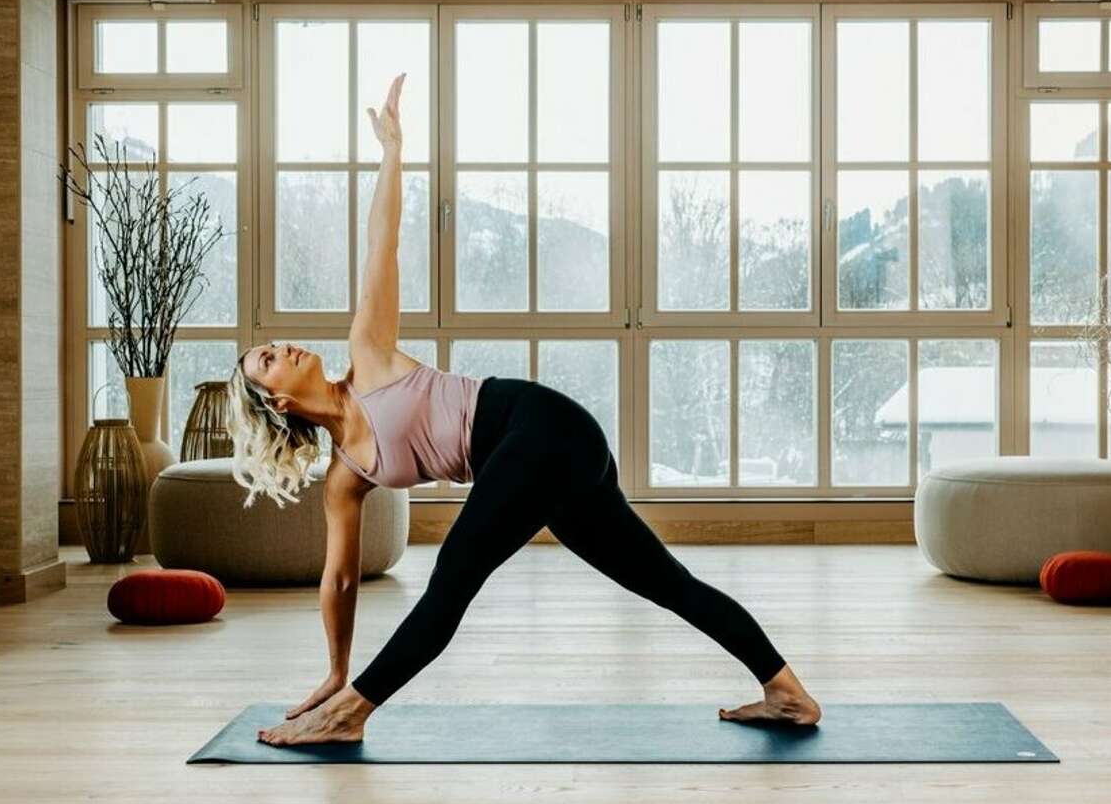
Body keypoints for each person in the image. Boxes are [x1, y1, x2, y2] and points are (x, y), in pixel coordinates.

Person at [226, 73, 821, 748]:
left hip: (539, 427)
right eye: (269, 358)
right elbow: (337, 576)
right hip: (545, 460)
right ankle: (787, 691)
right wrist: (335, 667)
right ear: (276, 402)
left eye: (275, 345)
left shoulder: (367, 353)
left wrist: (393, 152)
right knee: (665, 580)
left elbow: (381, 247)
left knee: (452, 578)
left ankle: (350, 716)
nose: (286, 348)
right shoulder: (344, 479)